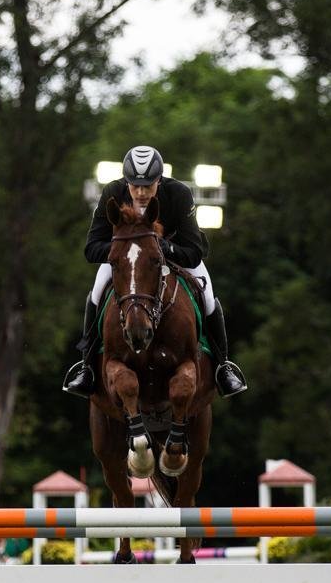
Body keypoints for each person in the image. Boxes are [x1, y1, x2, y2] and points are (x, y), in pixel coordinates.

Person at [62, 145, 247, 398]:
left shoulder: (179, 194)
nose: (140, 192)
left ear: (159, 180)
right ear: (126, 181)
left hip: (176, 255)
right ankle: (86, 367)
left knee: (208, 295)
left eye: (148, 185)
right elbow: (91, 249)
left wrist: (160, 248)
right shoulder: (112, 192)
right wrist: (128, 250)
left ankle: (223, 366)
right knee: (95, 294)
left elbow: (194, 251)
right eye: (135, 185)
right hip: (128, 260)